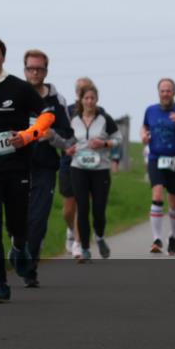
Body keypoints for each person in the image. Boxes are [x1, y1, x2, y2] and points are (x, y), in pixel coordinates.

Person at [0, 36, 47, 302]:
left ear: (3, 57)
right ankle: (0, 285)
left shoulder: (18, 87)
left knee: (17, 225)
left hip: (17, 167)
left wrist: (29, 135)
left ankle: (19, 247)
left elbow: (46, 114)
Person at [21, 49, 72, 287]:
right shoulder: (16, 94)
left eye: (39, 69)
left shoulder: (55, 101)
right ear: (25, 70)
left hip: (44, 168)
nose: (35, 72)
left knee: (38, 219)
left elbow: (69, 137)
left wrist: (51, 136)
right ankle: (19, 251)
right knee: (17, 219)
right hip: (16, 166)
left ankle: (30, 268)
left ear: (46, 71)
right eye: (31, 68)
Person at [140, 78, 175, 256]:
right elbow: (144, 126)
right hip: (156, 158)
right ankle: (157, 239)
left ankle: (172, 236)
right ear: (158, 92)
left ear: (174, 93)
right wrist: (143, 135)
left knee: (174, 202)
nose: (165, 94)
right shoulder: (151, 110)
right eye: (162, 90)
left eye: (168, 91)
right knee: (157, 194)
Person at [65, 83, 120, 262]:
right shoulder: (73, 119)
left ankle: (100, 237)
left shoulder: (105, 119)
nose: (89, 101)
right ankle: (85, 247)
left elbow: (118, 139)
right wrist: (69, 148)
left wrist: (104, 144)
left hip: (100, 169)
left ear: (97, 100)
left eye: (92, 98)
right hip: (78, 167)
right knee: (82, 207)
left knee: (98, 210)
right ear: (81, 100)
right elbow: (67, 140)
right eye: (86, 98)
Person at [62, 77, 94, 259]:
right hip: (69, 162)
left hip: (90, 164)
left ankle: (78, 244)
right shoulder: (67, 111)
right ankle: (70, 230)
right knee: (68, 209)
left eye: (88, 90)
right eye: (81, 90)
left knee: (82, 205)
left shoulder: (100, 113)